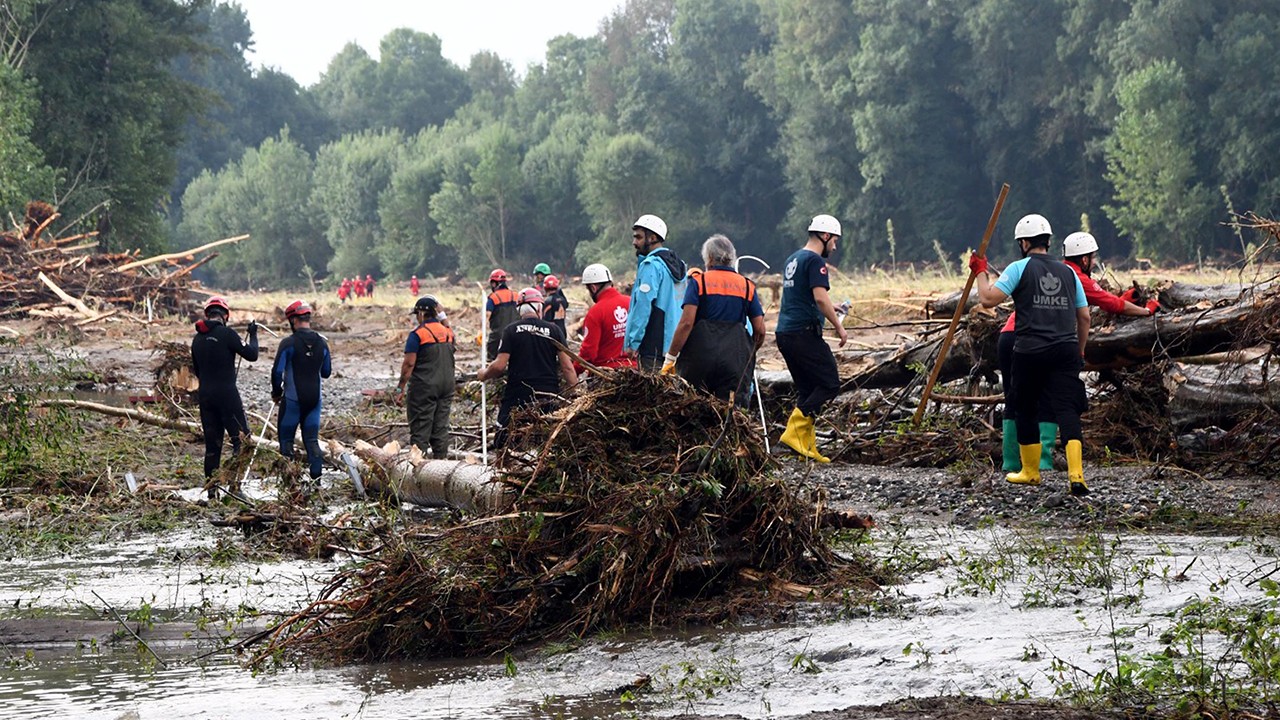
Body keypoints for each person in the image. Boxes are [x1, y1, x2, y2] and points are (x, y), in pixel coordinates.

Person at [996, 231, 1162, 472]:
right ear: (1084, 259)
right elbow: (1108, 304)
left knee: (1016, 399)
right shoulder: (1073, 275)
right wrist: (1146, 311)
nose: (1093, 263)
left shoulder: (1050, 269)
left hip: (1008, 336)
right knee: (1050, 401)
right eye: (1092, 258)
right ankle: (1042, 461)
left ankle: (1010, 462)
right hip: (1035, 340)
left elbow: (1104, 300)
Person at [973, 214, 1091, 496]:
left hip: (1030, 349)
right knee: (1067, 409)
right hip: (1065, 349)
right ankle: (1077, 475)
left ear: (1024, 243)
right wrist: (1079, 350)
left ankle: (1030, 472)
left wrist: (980, 270)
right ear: (1049, 242)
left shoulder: (1019, 268)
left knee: (1025, 406)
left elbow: (988, 299)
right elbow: (1084, 316)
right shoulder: (1069, 272)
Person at [775, 214, 849, 462]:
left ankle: (805, 446)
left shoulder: (792, 259)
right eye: (834, 240)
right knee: (829, 383)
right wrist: (839, 327)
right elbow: (818, 297)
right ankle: (793, 433)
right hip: (803, 334)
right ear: (825, 236)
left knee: (808, 389)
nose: (835, 246)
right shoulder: (816, 261)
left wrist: (832, 305)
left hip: (785, 333)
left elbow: (804, 298)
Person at [662, 234, 765, 407]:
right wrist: (748, 352)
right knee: (730, 413)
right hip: (735, 362)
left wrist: (670, 358)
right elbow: (760, 329)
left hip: (699, 361)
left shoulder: (698, 282)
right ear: (731, 258)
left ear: (709, 258)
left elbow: (686, 323)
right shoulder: (747, 286)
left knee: (695, 409)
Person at [477, 287, 578, 447]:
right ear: (539, 307)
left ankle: (504, 465)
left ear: (519, 310)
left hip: (517, 395)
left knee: (504, 440)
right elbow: (567, 368)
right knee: (548, 440)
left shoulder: (510, 331)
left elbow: (499, 366)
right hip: (548, 395)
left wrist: (484, 374)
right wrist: (576, 395)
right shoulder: (554, 330)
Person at [190, 296, 258, 494]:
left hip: (206, 397)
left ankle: (212, 492)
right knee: (242, 441)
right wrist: (252, 334)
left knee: (213, 446)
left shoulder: (197, 339)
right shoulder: (228, 334)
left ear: (207, 314)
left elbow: (198, 371)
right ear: (225, 316)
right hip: (227, 395)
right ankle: (235, 487)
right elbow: (252, 354)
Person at [271, 300, 332, 481]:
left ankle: (290, 485)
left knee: (286, 441)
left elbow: (277, 372)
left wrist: (276, 392)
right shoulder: (322, 343)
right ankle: (317, 484)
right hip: (314, 399)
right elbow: (326, 372)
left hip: (292, 400)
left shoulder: (288, 343)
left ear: (292, 321)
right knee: (312, 441)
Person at [624, 214, 687, 370]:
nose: (634, 242)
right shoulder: (681, 266)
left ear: (652, 238)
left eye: (638, 238)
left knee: (653, 393)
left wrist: (633, 342)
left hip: (653, 348)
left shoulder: (651, 266)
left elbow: (643, 306)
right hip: (676, 345)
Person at [395, 295, 455, 458]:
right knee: (441, 428)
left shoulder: (418, 334)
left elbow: (408, 365)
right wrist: (443, 316)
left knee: (421, 428)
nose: (416, 318)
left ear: (421, 314)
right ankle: (441, 465)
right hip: (447, 387)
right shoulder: (448, 333)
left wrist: (399, 388)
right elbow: (451, 333)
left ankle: (417, 468)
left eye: (417, 314)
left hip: (424, 388)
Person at [578, 263, 636, 371]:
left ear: (593, 288)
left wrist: (573, 371)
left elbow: (588, 353)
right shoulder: (631, 302)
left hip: (606, 374)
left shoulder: (595, 312)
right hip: (634, 372)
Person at [484, 268, 519, 362]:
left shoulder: (493, 297)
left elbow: (487, 316)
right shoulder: (516, 295)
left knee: (492, 358)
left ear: (495, 283)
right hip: (516, 333)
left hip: (498, 335)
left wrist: (481, 331)